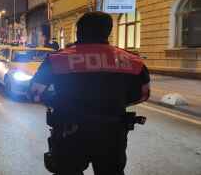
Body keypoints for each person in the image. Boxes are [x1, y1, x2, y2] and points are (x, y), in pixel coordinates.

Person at [30, 12, 150, 175]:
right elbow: (143, 94)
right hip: (112, 133)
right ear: (108, 31)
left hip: (70, 132)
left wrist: (57, 101)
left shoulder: (58, 59)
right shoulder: (132, 60)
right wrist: (118, 102)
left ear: (79, 31)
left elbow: (35, 93)